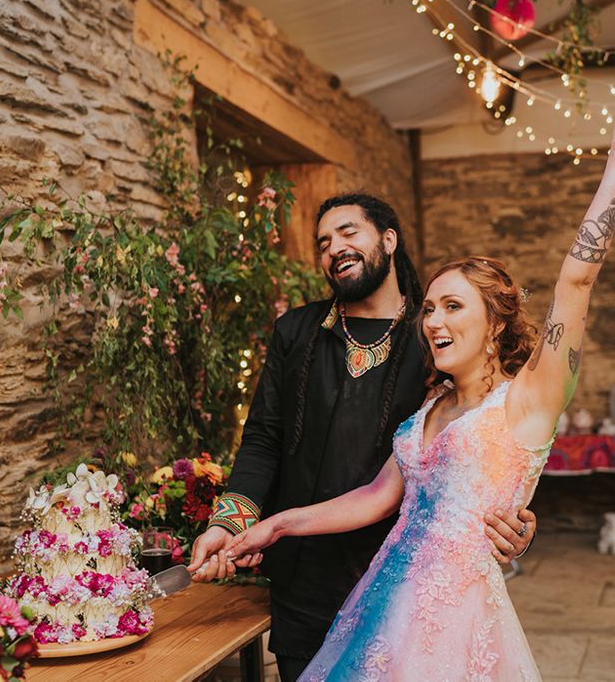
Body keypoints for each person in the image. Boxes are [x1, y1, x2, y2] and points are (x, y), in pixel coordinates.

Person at [224, 132, 615, 680]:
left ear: (495, 321)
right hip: (381, 606)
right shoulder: (431, 404)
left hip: (454, 625)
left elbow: (576, 279)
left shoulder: (530, 397)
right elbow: (377, 495)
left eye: (453, 306)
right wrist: (276, 525)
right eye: (429, 308)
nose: (433, 320)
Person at [187, 194, 536, 681]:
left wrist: (514, 518)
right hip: (306, 579)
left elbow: (486, 433)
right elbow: (264, 438)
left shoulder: (436, 337)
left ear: (389, 240)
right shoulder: (296, 331)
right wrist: (231, 522)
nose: (334, 247)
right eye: (324, 242)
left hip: (399, 589)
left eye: (349, 232)